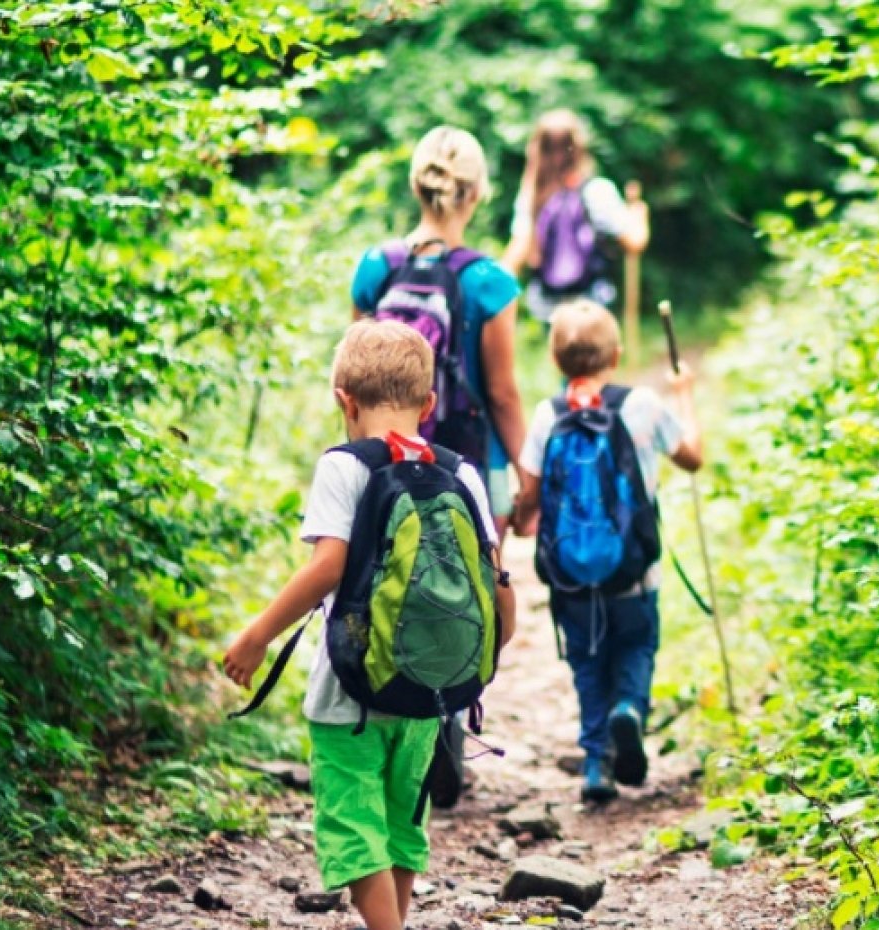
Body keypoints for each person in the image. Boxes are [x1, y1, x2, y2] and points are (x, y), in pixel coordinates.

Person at [224, 321, 516, 930]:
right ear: (429, 405)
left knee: (353, 828)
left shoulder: (345, 467)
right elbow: (496, 583)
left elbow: (327, 566)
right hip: (429, 694)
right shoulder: (460, 473)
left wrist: (258, 636)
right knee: (401, 820)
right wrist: (477, 657)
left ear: (344, 401)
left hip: (348, 694)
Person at [512, 300, 702, 802]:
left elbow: (529, 496)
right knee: (636, 649)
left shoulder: (546, 415)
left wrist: (522, 516)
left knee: (587, 664)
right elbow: (693, 457)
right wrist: (684, 396)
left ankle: (596, 763)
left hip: (571, 579)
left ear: (556, 362)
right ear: (616, 355)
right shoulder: (641, 405)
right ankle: (630, 712)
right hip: (634, 575)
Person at [353, 125, 529, 538]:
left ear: (417, 186)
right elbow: (502, 395)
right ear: (475, 193)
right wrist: (528, 479)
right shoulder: (490, 281)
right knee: (479, 591)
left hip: (386, 465)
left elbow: (354, 377)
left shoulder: (375, 266)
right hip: (474, 467)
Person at [502, 110, 651, 322]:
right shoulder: (597, 191)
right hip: (592, 306)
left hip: (549, 309)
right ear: (579, 148)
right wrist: (639, 215)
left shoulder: (533, 198)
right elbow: (635, 242)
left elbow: (515, 257)